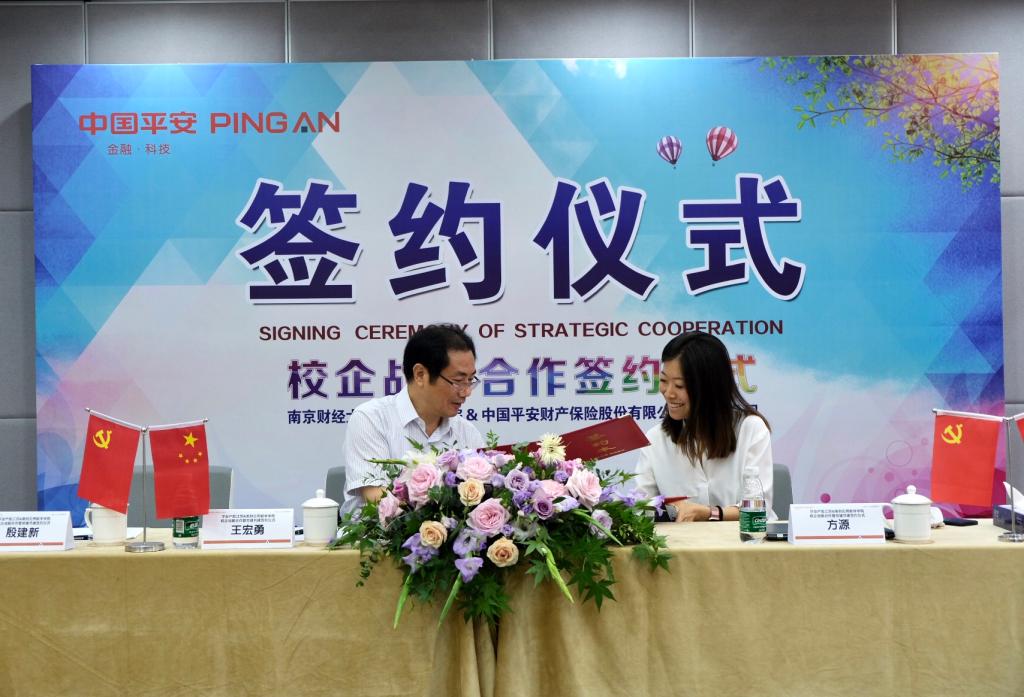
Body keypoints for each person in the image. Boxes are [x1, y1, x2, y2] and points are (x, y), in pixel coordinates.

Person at [340, 323, 485, 516]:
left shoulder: (466, 432)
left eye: (470, 380)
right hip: (380, 535)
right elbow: (377, 497)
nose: (466, 392)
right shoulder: (372, 419)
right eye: (458, 381)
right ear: (420, 375)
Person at [635, 331, 774, 522]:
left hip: (744, 539)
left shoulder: (750, 429)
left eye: (679, 386)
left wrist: (709, 513)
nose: (668, 393)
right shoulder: (655, 439)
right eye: (664, 381)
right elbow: (640, 509)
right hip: (680, 542)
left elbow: (759, 509)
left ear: (709, 387)